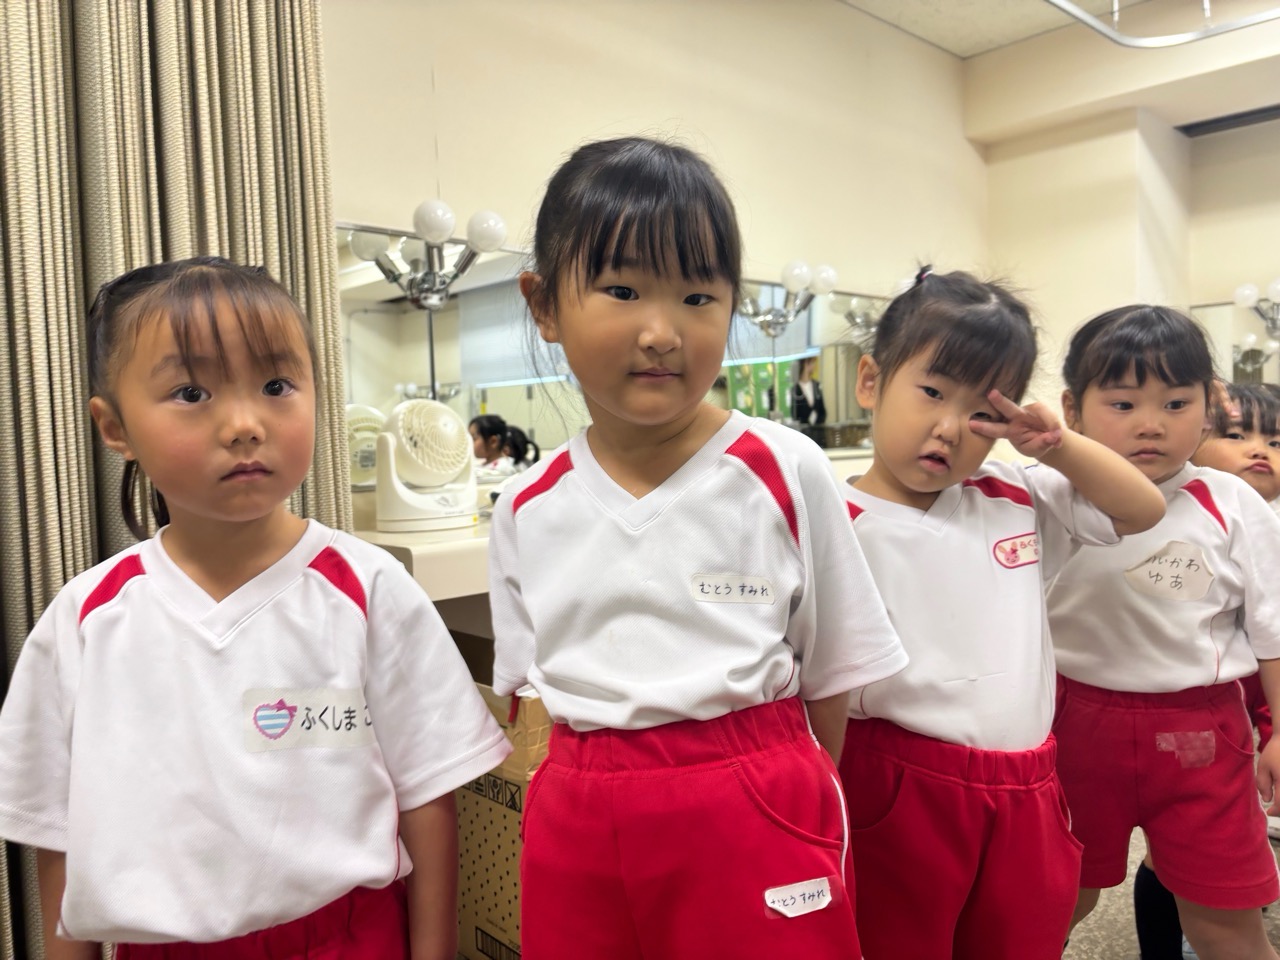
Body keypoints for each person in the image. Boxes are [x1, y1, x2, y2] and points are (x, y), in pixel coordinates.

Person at [0, 257, 511, 960]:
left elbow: (427, 799)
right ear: (115, 428)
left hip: (350, 938)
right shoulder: (87, 620)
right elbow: (55, 832)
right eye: (190, 392)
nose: (244, 424)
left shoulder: (369, 589)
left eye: (276, 386)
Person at [487, 136, 907, 960]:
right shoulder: (527, 506)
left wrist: (791, 797)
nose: (661, 332)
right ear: (544, 305)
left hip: (757, 795)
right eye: (621, 290)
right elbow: (530, 690)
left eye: (697, 296)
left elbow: (832, 675)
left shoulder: (784, 470)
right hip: (579, 813)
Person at [838, 267, 1165, 960]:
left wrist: (1058, 445)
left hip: (1027, 782)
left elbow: (1142, 508)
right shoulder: (835, 518)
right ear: (871, 381)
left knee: (1022, 941)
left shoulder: (1014, 492)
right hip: (897, 783)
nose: (949, 428)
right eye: (931, 392)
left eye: (981, 413)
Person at [1048, 306, 1280, 960]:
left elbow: (1273, 629)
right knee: (1056, 900)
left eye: (1176, 404)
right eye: (1122, 404)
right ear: (1073, 409)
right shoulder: (1049, 494)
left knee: (1224, 919)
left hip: (1200, 734)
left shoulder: (1231, 502)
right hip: (1072, 724)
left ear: (1208, 408)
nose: (1151, 424)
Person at [1134, 379, 1280, 960]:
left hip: (1238, 720)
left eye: (1275, 440)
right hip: (1194, 719)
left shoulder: (1259, 525)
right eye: (1238, 434)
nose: (1259, 450)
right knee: (1173, 856)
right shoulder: (1164, 511)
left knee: (1222, 869)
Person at [469, 413, 540, 477]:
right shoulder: (484, 465)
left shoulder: (504, 469)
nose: (469, 442)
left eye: (474, 438)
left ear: (493, 442)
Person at [792, 354, 827, 426]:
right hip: (803, 430)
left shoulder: (816, 385)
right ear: (805, 363)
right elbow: (795, 415)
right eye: (812, 362)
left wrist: (818, 424)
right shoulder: (796, 389)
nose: (814, 366)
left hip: (818, 429)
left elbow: (822, 411)